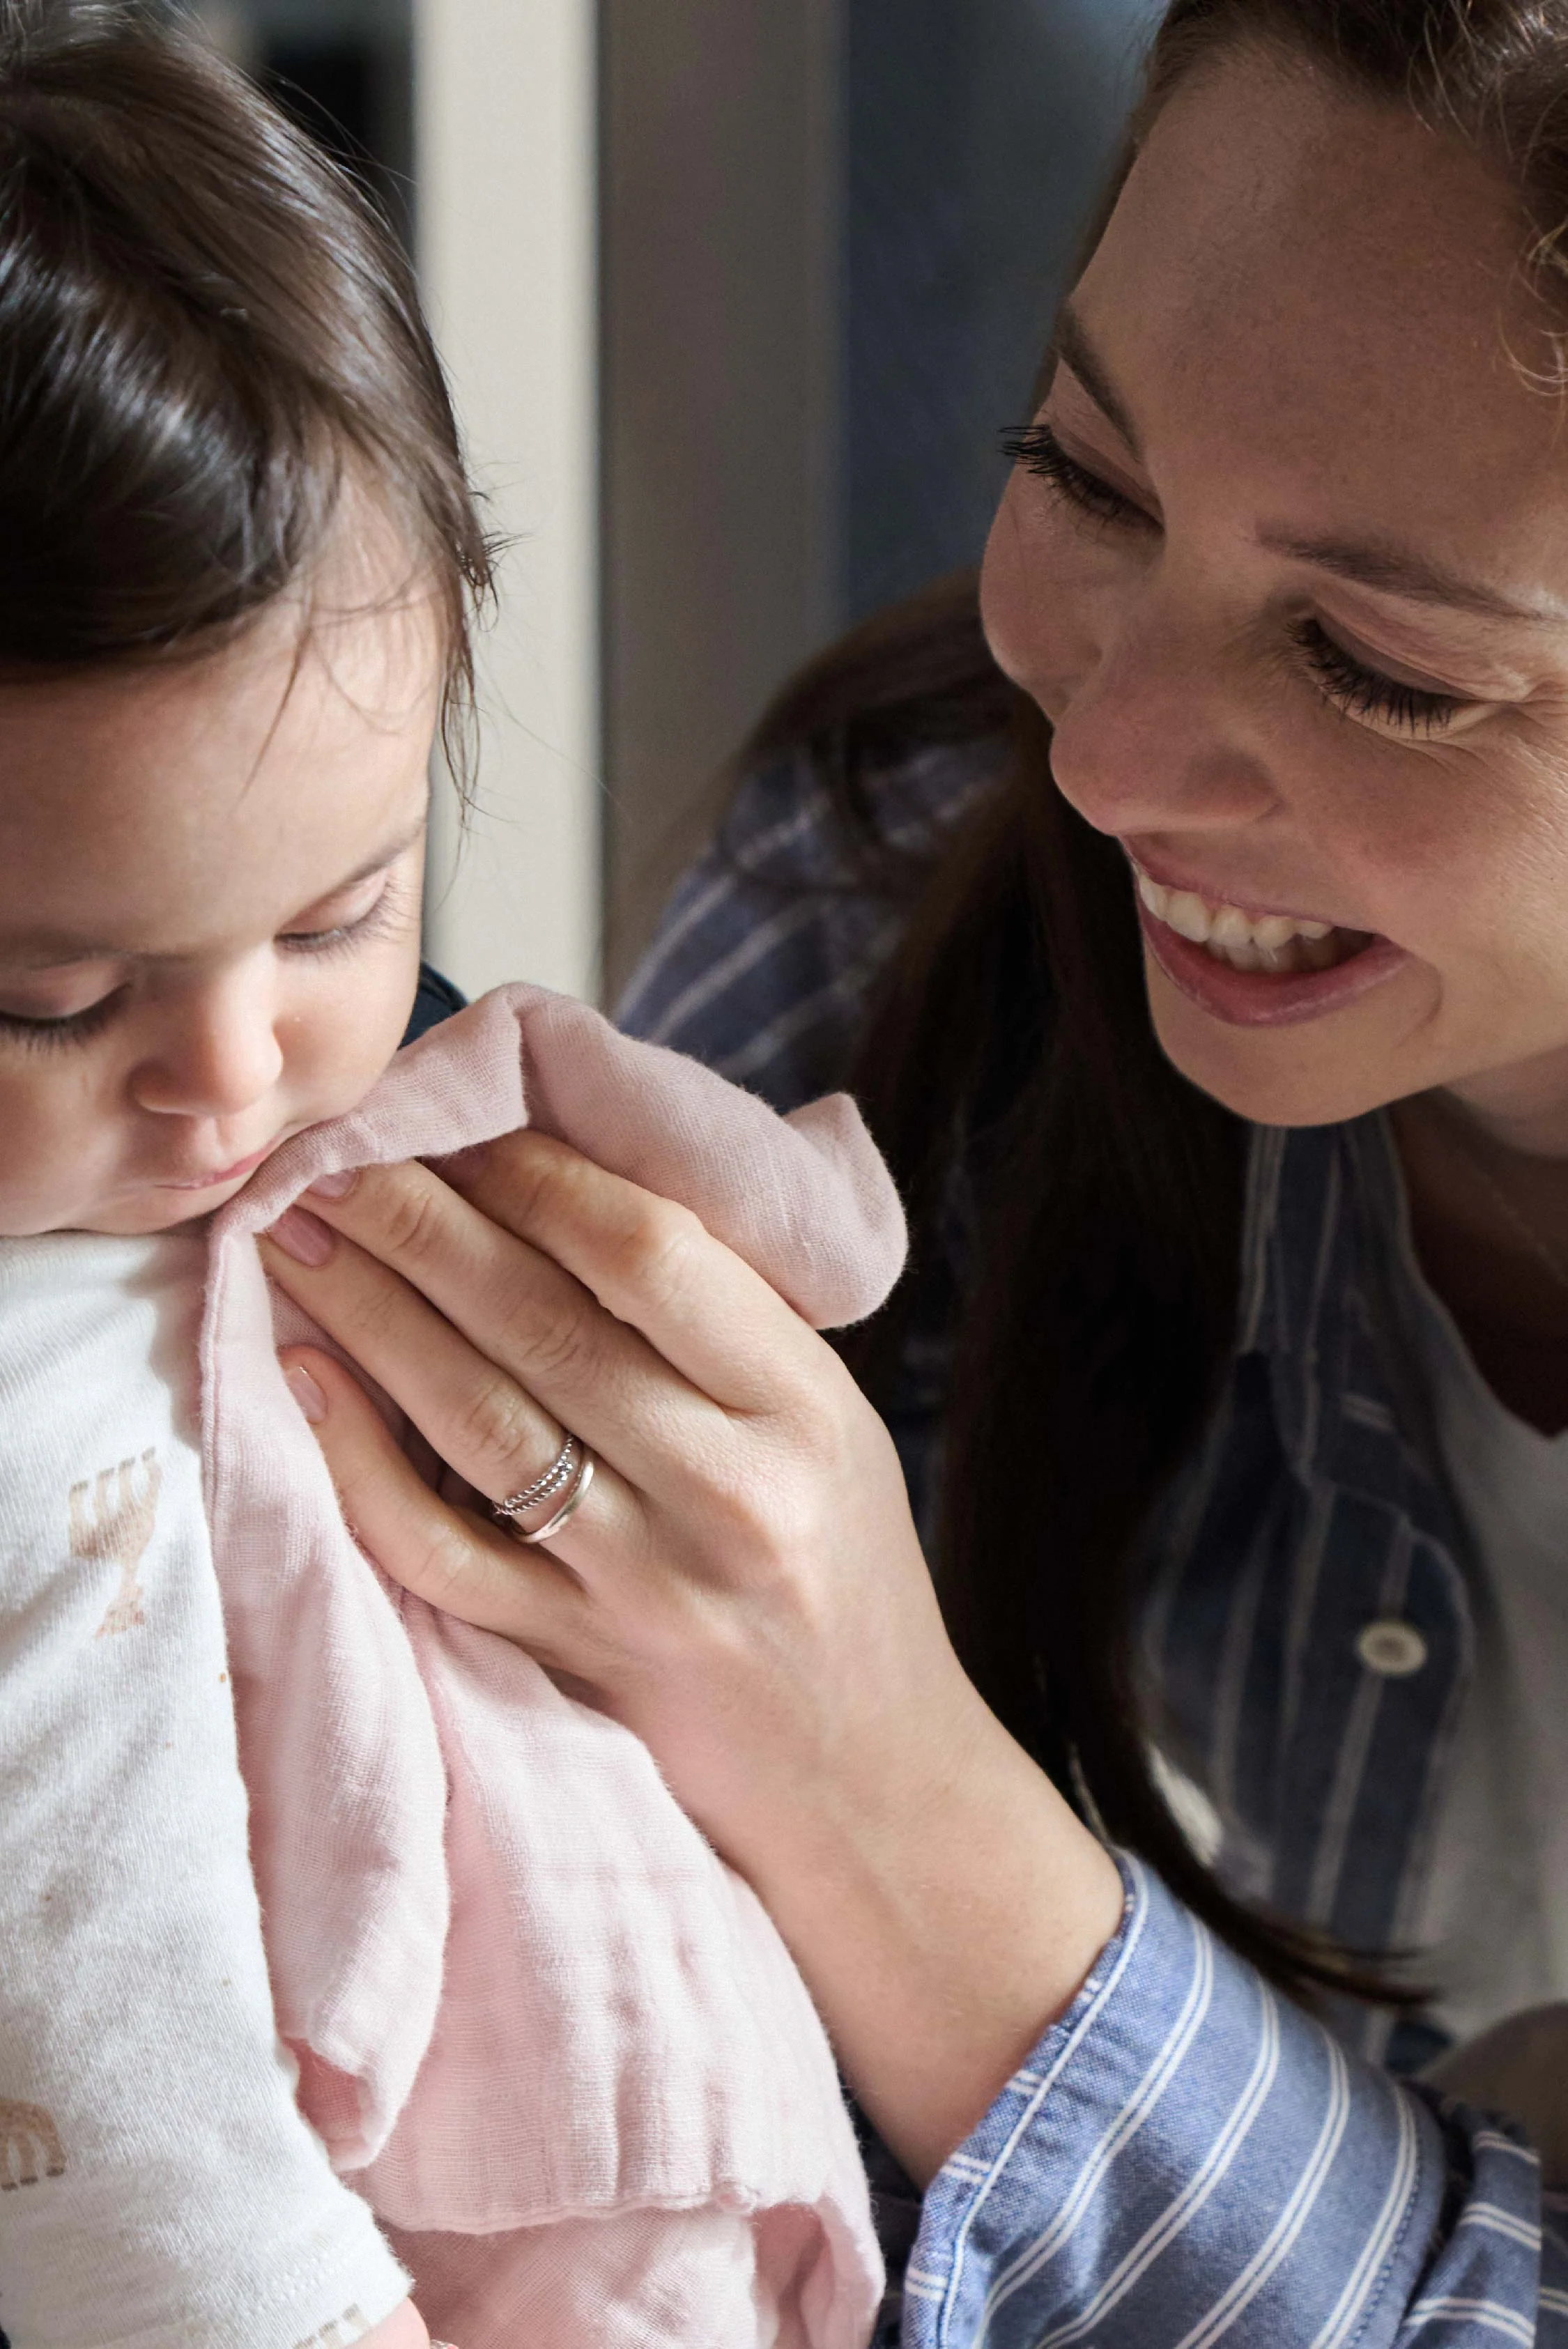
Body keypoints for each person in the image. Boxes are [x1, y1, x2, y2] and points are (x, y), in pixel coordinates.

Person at [266, 0, 1568, 2341]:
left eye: (1379, 668)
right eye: (1086, 475)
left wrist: (889, 1797)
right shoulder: (902, 904)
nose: (1110, 755)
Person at [0, 8, 886, 2348]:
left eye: (334, 914)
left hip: (687, 2127)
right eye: (46, 1003)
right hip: (368, 2243)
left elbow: (762, 1225)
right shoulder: (29, 1404)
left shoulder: (384, 1097)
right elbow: (96, 2044)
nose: (233, 1071)